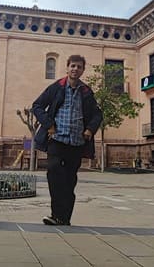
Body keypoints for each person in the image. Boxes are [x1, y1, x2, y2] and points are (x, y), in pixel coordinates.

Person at [32, 54, 103, 226]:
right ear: (67, 67)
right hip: (56, 139)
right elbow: (37, 106)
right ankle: (56, 214)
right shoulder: (57, 87)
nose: (75, 69)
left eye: (79, 67)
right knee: (54, 172)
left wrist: (90, 130)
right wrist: (49, 124)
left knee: (70, 181)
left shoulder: (86, 91)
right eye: (73, 66)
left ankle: (64, 218)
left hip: (76, 143)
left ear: (82, 70)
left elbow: (97, 114)